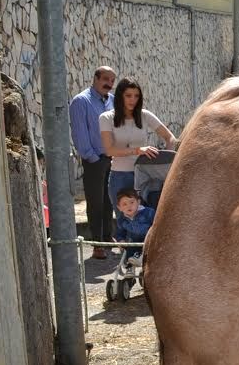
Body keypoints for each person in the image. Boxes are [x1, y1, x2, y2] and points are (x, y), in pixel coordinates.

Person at [100, 78, 177, 220]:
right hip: (120, 176)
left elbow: (170, 138)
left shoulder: (145, 115)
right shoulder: (106, 118)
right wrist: (137, 150)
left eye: (136, 96)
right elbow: (109, 150)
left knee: (149, 219)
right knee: (124, 222)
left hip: (146, 176)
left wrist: (165, 161)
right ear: (120, 96)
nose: (133, 100)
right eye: (128, 95)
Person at [70, 66, 116, 259]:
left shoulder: (112, 101)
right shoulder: (81, 101)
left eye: (112, 80)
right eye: (105, 79)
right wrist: (93, 158)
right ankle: (97, 244)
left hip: (112, 158)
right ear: (95, 78)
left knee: (109, 201)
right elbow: (80, 136)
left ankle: (107, 238)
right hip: (94, 160)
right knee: (95, 202)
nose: (109, 83)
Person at [114, 188, 156, 265]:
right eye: (124, 204)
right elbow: (120, 232)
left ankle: (141, 259)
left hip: (148, 239)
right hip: (133, 241)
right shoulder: (122, 219)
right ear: (119, 207)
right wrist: (121, 240)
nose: (129, 206)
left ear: (138, 202)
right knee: (128, 249)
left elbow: (156, 225)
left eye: (132, 202)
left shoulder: (148, 212)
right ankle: (130, 266)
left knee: (149, 248)